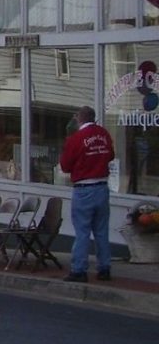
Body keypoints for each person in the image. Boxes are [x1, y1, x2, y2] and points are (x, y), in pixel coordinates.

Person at [60, 105, 116, 282]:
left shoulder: (76, 138)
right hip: (102, 187)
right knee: (101, 230)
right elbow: (110, 155)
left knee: (82, 231)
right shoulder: (104, 134)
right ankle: (104, 268)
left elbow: (65, 166)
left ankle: (79, 269)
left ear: (79, 118)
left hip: (84, 188)